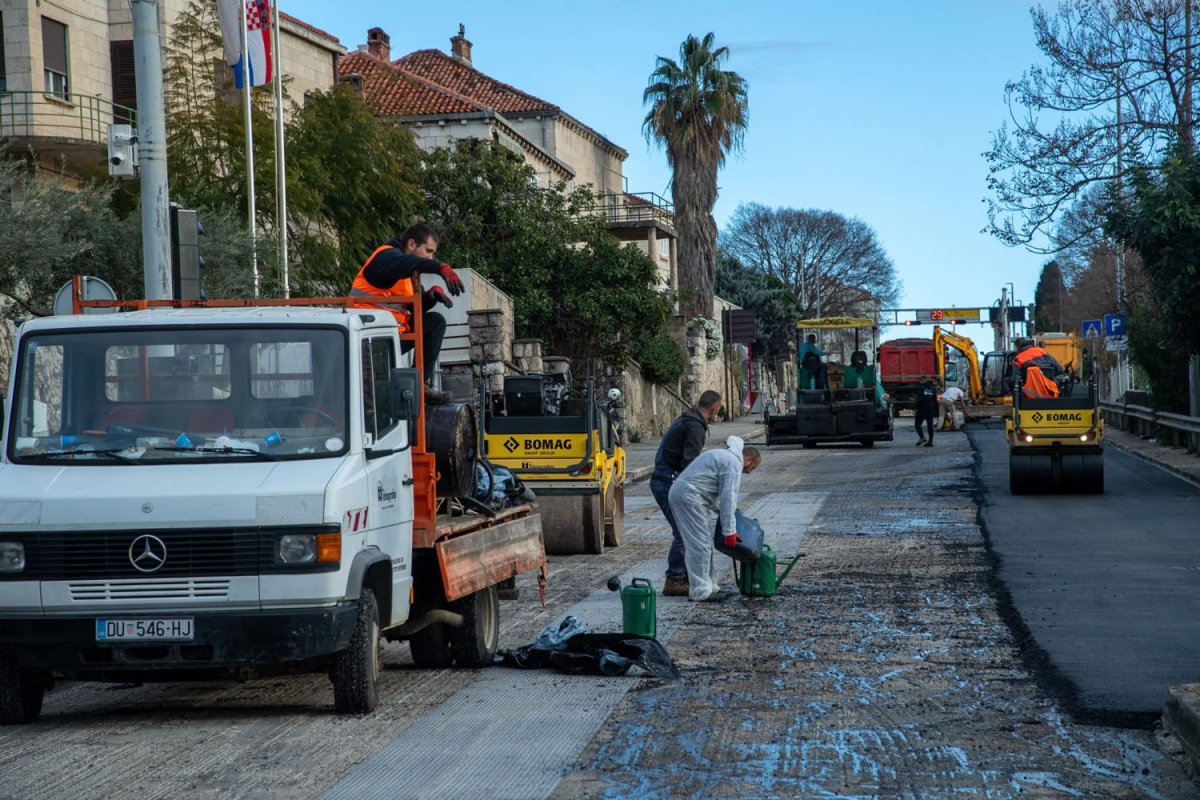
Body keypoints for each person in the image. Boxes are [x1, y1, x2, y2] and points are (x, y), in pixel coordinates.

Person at [350, 222, 464, 403]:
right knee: (375, 396)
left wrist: (431, 296)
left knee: (436, 322)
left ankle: (419, 384)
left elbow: (413, 307)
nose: (431, 257)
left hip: (394, 333)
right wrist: (440, 267)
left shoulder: (408, 272)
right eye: (428, 251)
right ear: (411, 244)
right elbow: (405, 263)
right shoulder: (386, 257)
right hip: (368, 335)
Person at [668, 436, 761, 602]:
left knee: (704, 544)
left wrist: (730, 519)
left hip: (688, 495)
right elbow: (728, 497)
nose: (748, 472)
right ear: (747, 459)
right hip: (689, 497)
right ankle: (701, 591)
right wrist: (729, 531)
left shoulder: (724, 457)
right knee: (699, 545)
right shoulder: (733, 463)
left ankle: (710, 586)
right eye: (751, 468)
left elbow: (715, 494)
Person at [650, 390, 722, 597]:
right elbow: (689, 464)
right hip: (667, 481)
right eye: (718, 409)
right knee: (683, 531)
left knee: (684, 530)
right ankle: (674, 579)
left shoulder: (687, 419)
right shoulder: (695, 427)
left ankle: (684, 576)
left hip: (663, 478)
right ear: (714, 408)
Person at [914, 377, 938, 446]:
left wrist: (916, 408)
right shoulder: (932, 388)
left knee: (917, 424)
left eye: (920, 380)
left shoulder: (920, 388)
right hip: (931, 408)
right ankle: (930, 441)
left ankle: (922, 437)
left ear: (922, 381)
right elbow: (935, 399)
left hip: (922, 408)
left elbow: (919, 399)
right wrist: (935, 409)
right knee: (930, 425)